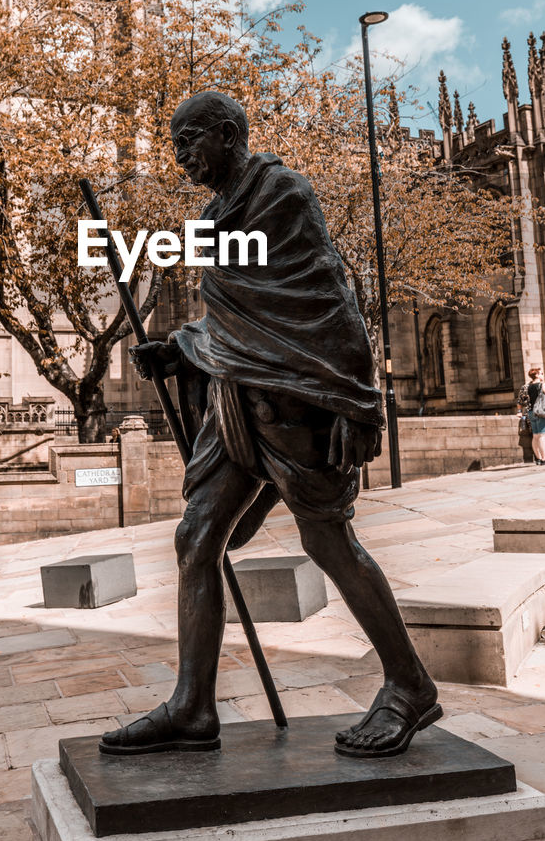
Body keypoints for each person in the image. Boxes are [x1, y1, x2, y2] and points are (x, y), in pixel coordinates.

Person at [99, 91, 440, 761]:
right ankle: (192, 706)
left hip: (296, 402)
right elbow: (235, 318)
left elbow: (324, 300)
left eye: (189, 140)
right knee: (196, 539)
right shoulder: (212, 215)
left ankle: (409, 686)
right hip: (236, 402)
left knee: (328, 542)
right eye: (172, 144)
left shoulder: (282, 194)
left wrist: (359, 402)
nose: (180, 156)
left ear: (228, 135)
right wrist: (181, 346)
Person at [525, 367, 545, 465]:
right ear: (537, 375)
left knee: (535, 436)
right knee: (543, 435)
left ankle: (538, 459)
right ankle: (544, 459)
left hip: (531, 412)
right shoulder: (542, 385)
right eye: (541, 373)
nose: (543, 375)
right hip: (541, 412)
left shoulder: (529, 386)